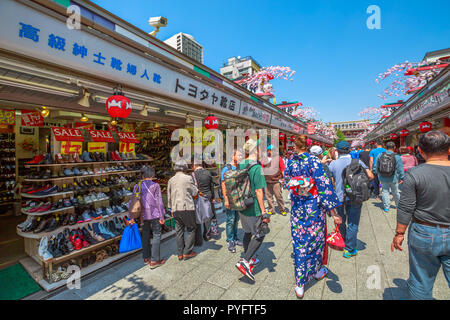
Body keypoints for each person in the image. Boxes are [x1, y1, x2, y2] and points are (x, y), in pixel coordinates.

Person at [391, 131, 450, 300]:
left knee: (421, 281)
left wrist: (399, 233)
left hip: (425, 231)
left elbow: (406, 205)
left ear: (420, 151)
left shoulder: (415, 173)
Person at [285, 135, 342, 299]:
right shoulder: (313, 161)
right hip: (314, 208)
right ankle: (316, 271)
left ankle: (300, 283)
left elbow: (286, 182)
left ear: (296, 146)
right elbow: (324, 186)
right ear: (309, 147)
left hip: (297, 208)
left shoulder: (291, 161)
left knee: (299, 243)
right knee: (315, 242)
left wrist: (298, 182)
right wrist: (334, 212)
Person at [329, 140, 374, 259]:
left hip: (339, 197)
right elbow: (370, 176)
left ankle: (343, 240)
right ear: (349, 150)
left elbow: (330, 181)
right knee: (353, 223)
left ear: (337, 151)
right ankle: (349, 249)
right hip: (355, 196)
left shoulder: (333, 164)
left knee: (341, 220)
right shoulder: (357, 161)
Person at [235, 138, 270, 281]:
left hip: (242, 205)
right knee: (260, 234)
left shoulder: (240, 164)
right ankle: (245, 261)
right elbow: (259, 192)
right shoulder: (256, 167)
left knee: (247, 232)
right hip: (254, 206)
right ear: (255, 150)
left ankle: (247, 257)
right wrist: (264, 211)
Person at [132, 166, 166, 268]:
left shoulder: (137, 186)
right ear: (152, 175)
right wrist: (162, 216)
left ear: (142, 175)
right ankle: (155, 260)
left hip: (143, 214)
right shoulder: (156, 185)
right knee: (156, 233)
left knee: (145, 234)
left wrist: (132, 217)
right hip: (155, 213)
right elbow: (159, 202)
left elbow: (132, 202)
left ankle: (146, 258)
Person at [167, 159, 198, 261]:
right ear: (184, 167)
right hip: (187, 207)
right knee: (191, 229)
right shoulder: (188, 178)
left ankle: (180, 253)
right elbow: (194, 192)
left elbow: (169, 196)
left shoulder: (171, 180)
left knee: (179, 231)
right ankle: (187, 252)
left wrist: (171, 208)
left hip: (175, 208)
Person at [221, 148, 244, 253]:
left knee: (236, 218)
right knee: (230, 219)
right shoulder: (226, 168)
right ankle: (230, 240)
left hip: (238, 198)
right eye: (238, 155)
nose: (240, 157)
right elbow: (223, 184)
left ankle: (235, 238)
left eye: (241, 155)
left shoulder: (239, 167)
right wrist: (225, 199)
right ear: (232, 156)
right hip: (229, 198)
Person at [375, 141, 404, 213]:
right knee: (395, 192)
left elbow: (376, 167)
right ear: (394, 148)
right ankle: (398, 205)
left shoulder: (380, 155)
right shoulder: (397, 156)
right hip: (394, 178)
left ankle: (386, 207)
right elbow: (400, 169)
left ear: (385, 147)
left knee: (385, 191)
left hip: (383, 177)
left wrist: (378, 174)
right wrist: (402, 177)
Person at [192, 161, 216, 242]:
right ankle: (207, 235)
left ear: (195, 165)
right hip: (208, 195)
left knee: (197, 215)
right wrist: (213, 197)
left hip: (197, 196)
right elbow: (211, 186)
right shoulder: (208, 173)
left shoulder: (193, 175)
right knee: (207, 215)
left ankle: (198, 237)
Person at [262, 144, 287, 216]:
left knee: (278, 196)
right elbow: (262, 168)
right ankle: (271, 209)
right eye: (269, 150)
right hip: (267, 180)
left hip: (276, 180)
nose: (270, 152)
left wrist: (284, 178)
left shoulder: (278, 158)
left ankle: (282, 209)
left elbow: (282, 168)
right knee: (268, 196)